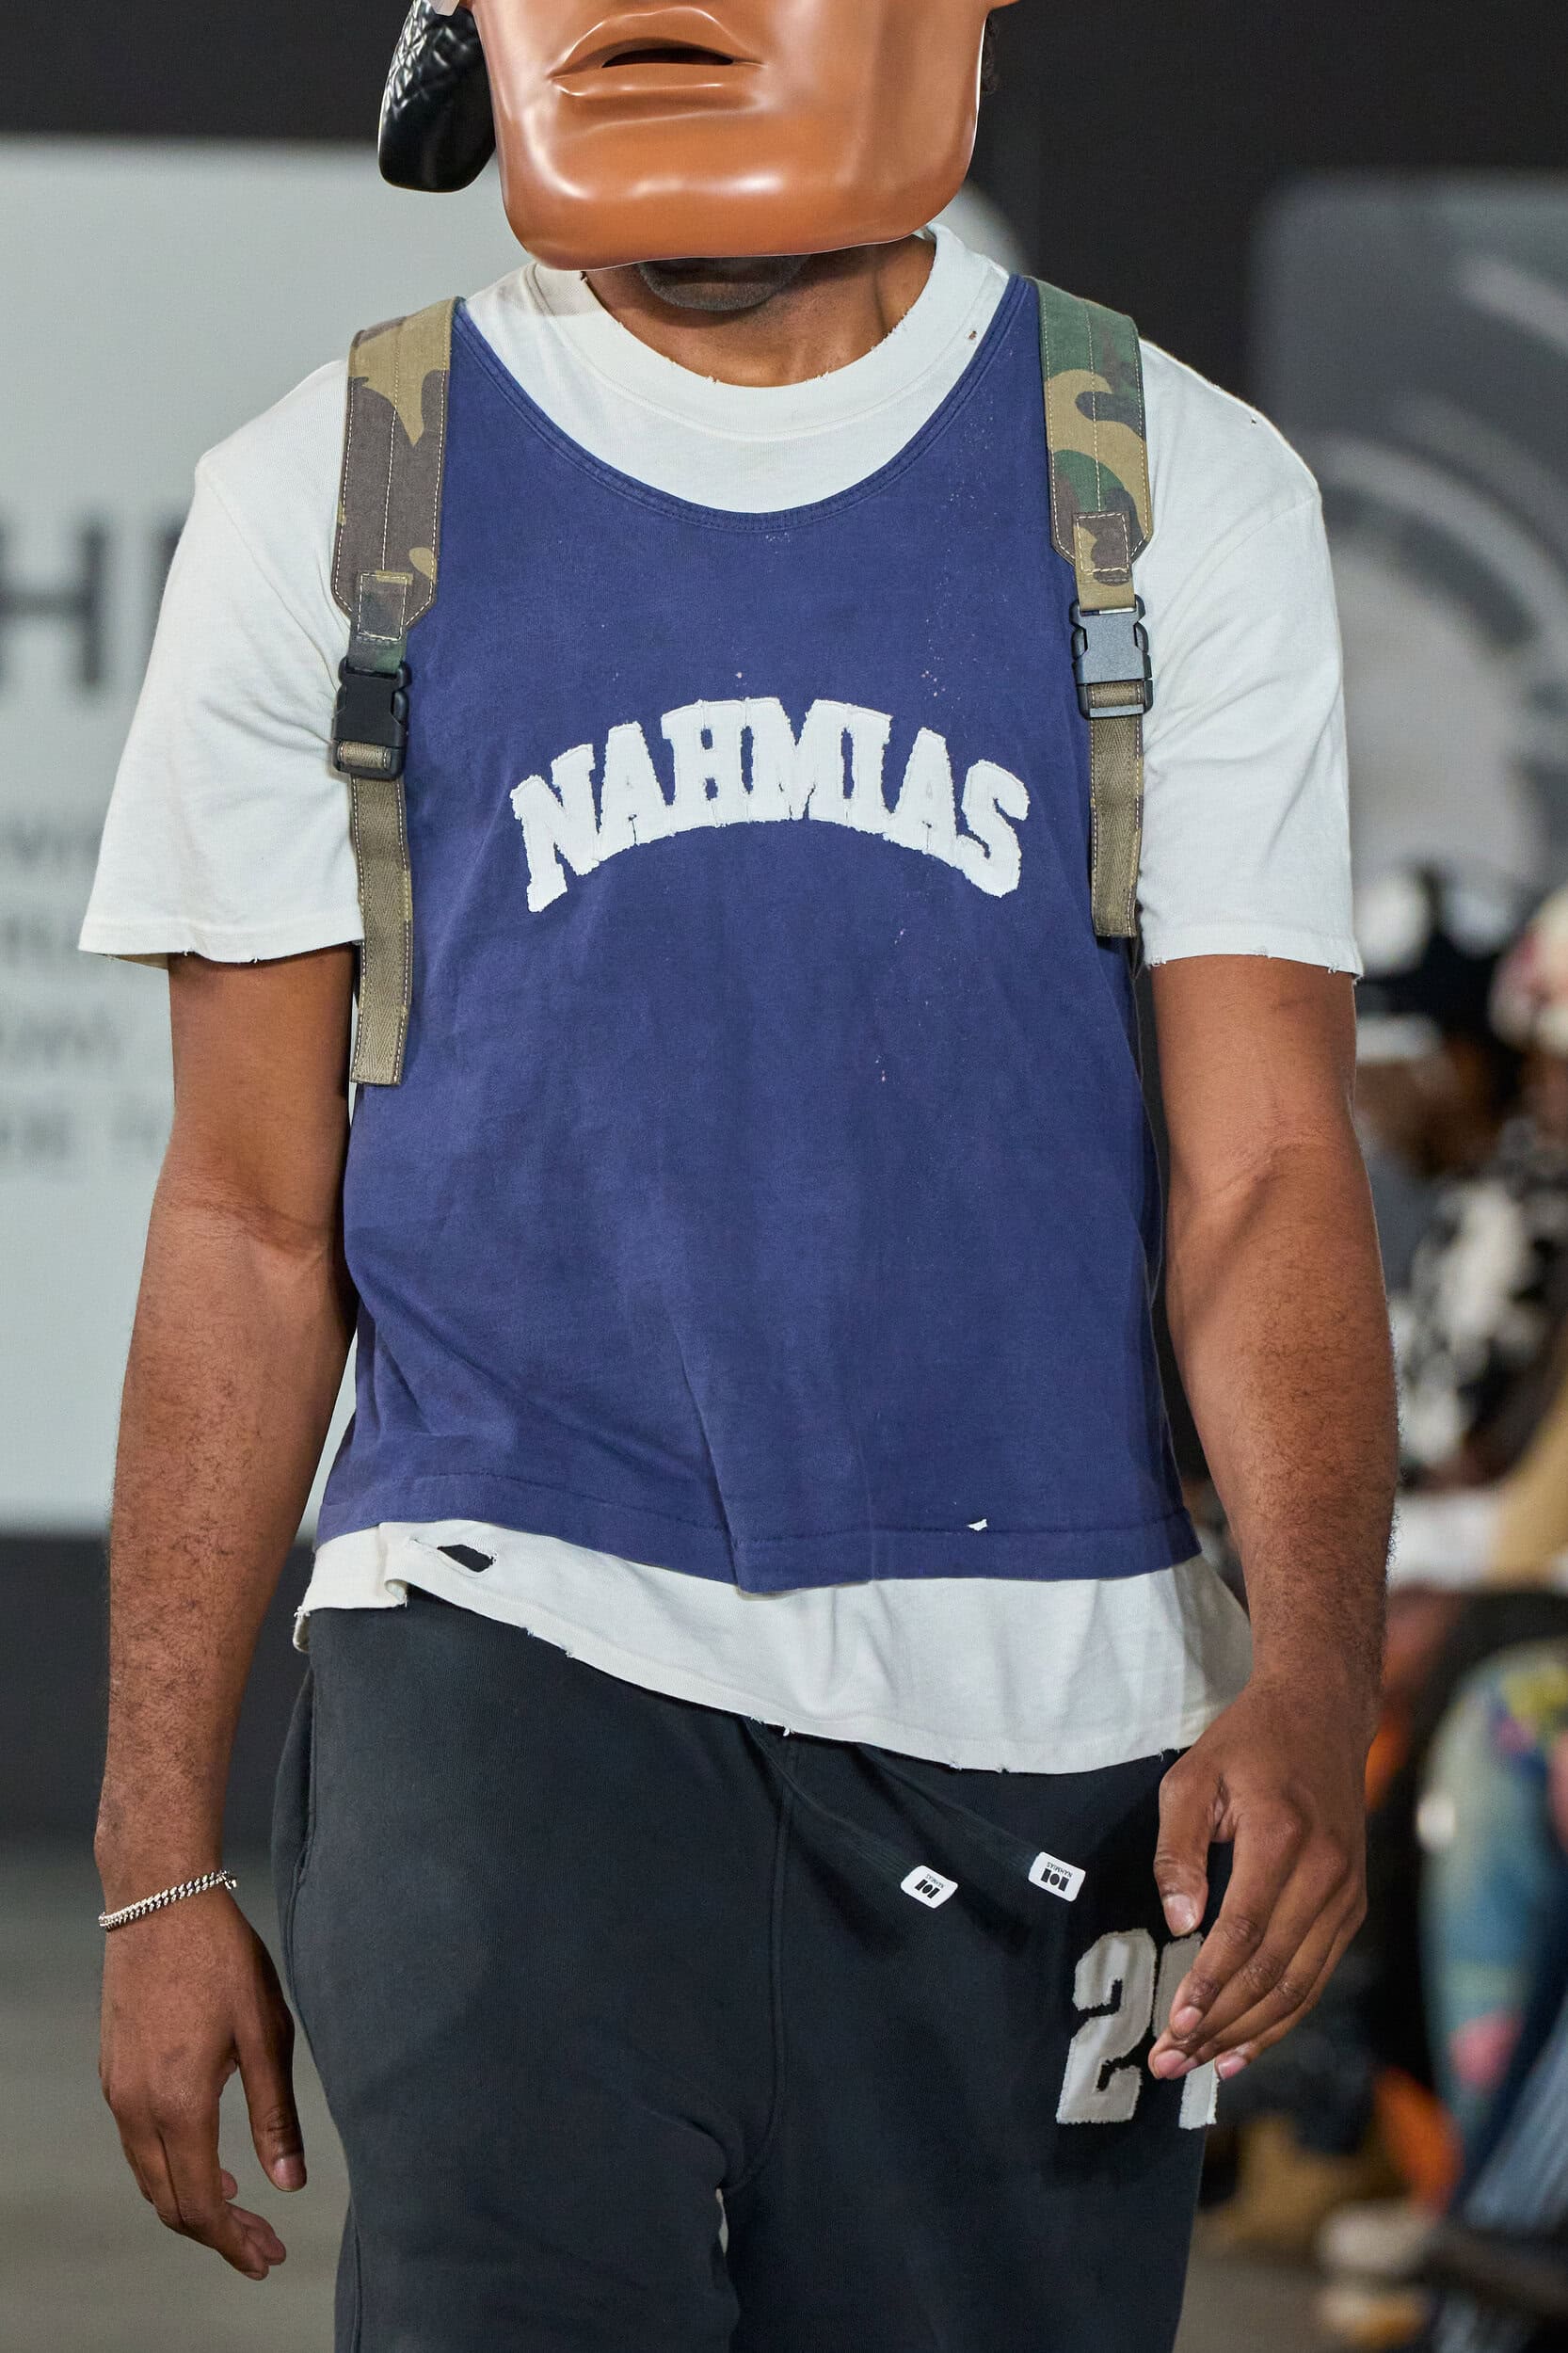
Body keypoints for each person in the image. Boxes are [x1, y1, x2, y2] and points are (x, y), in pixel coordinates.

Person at [85, 6, 1396, 2348]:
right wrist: (151, 1853)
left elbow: (1266, 1169)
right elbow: (250, 1221)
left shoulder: (1154, 480)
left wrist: (1311, 1679)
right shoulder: (343, 488)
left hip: (1045, 1696)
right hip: (511, 1634)